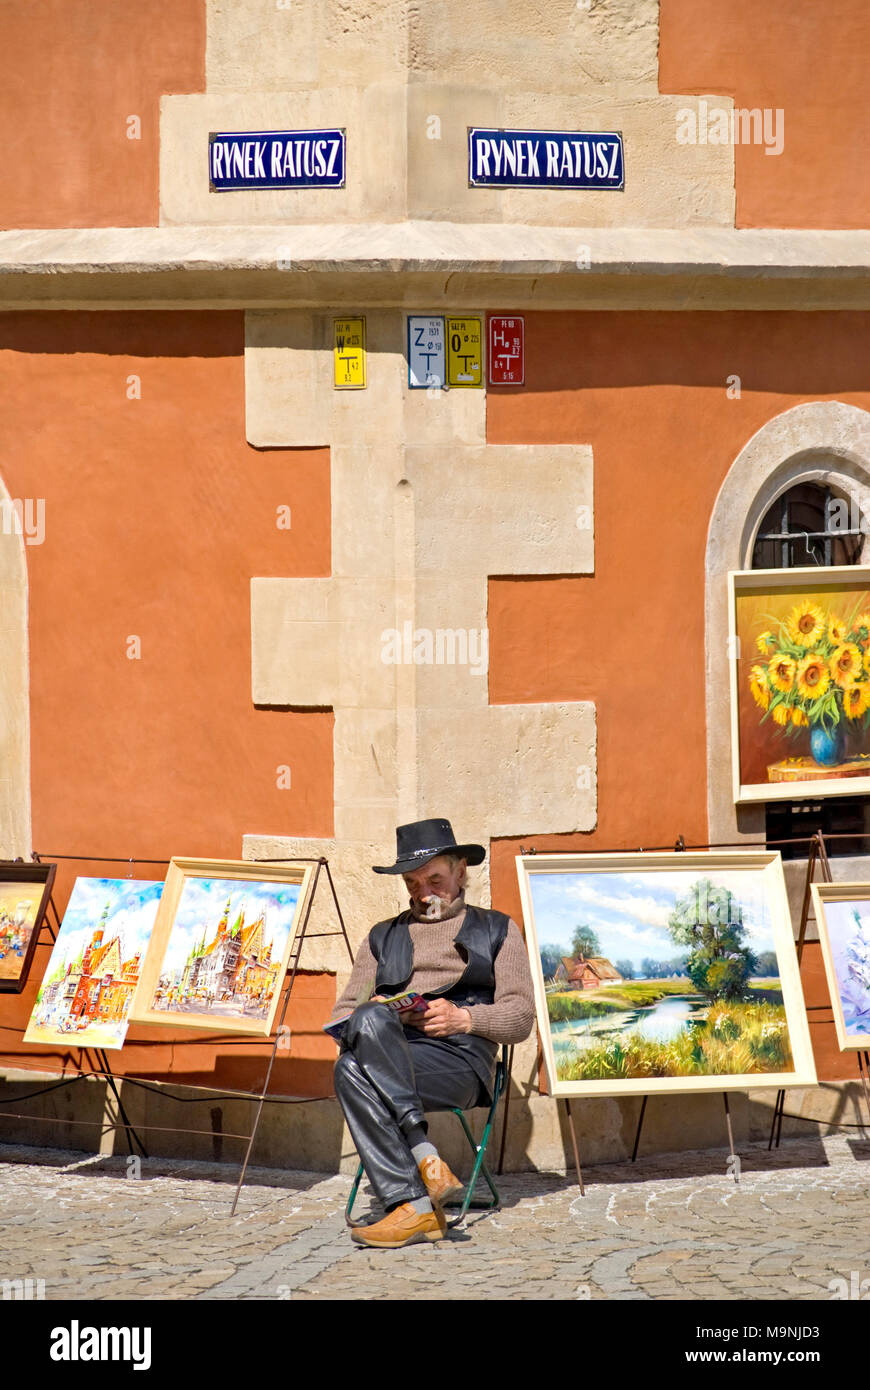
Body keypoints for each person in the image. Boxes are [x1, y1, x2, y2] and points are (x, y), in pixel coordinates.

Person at [329, 817, 535, 1249]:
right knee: (363, 1031)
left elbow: (520, 1018)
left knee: (352, 1069)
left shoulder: (499, 929)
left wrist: (467, 1019)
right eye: (412, 883)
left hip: (460, 1063)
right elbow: (344, 1014)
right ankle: (421, 1178)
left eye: (435, 880)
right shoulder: (383, 936)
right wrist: (391, 1017)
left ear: (461, 871)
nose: (424, 893)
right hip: (393, 1053)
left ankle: (413, 1195)